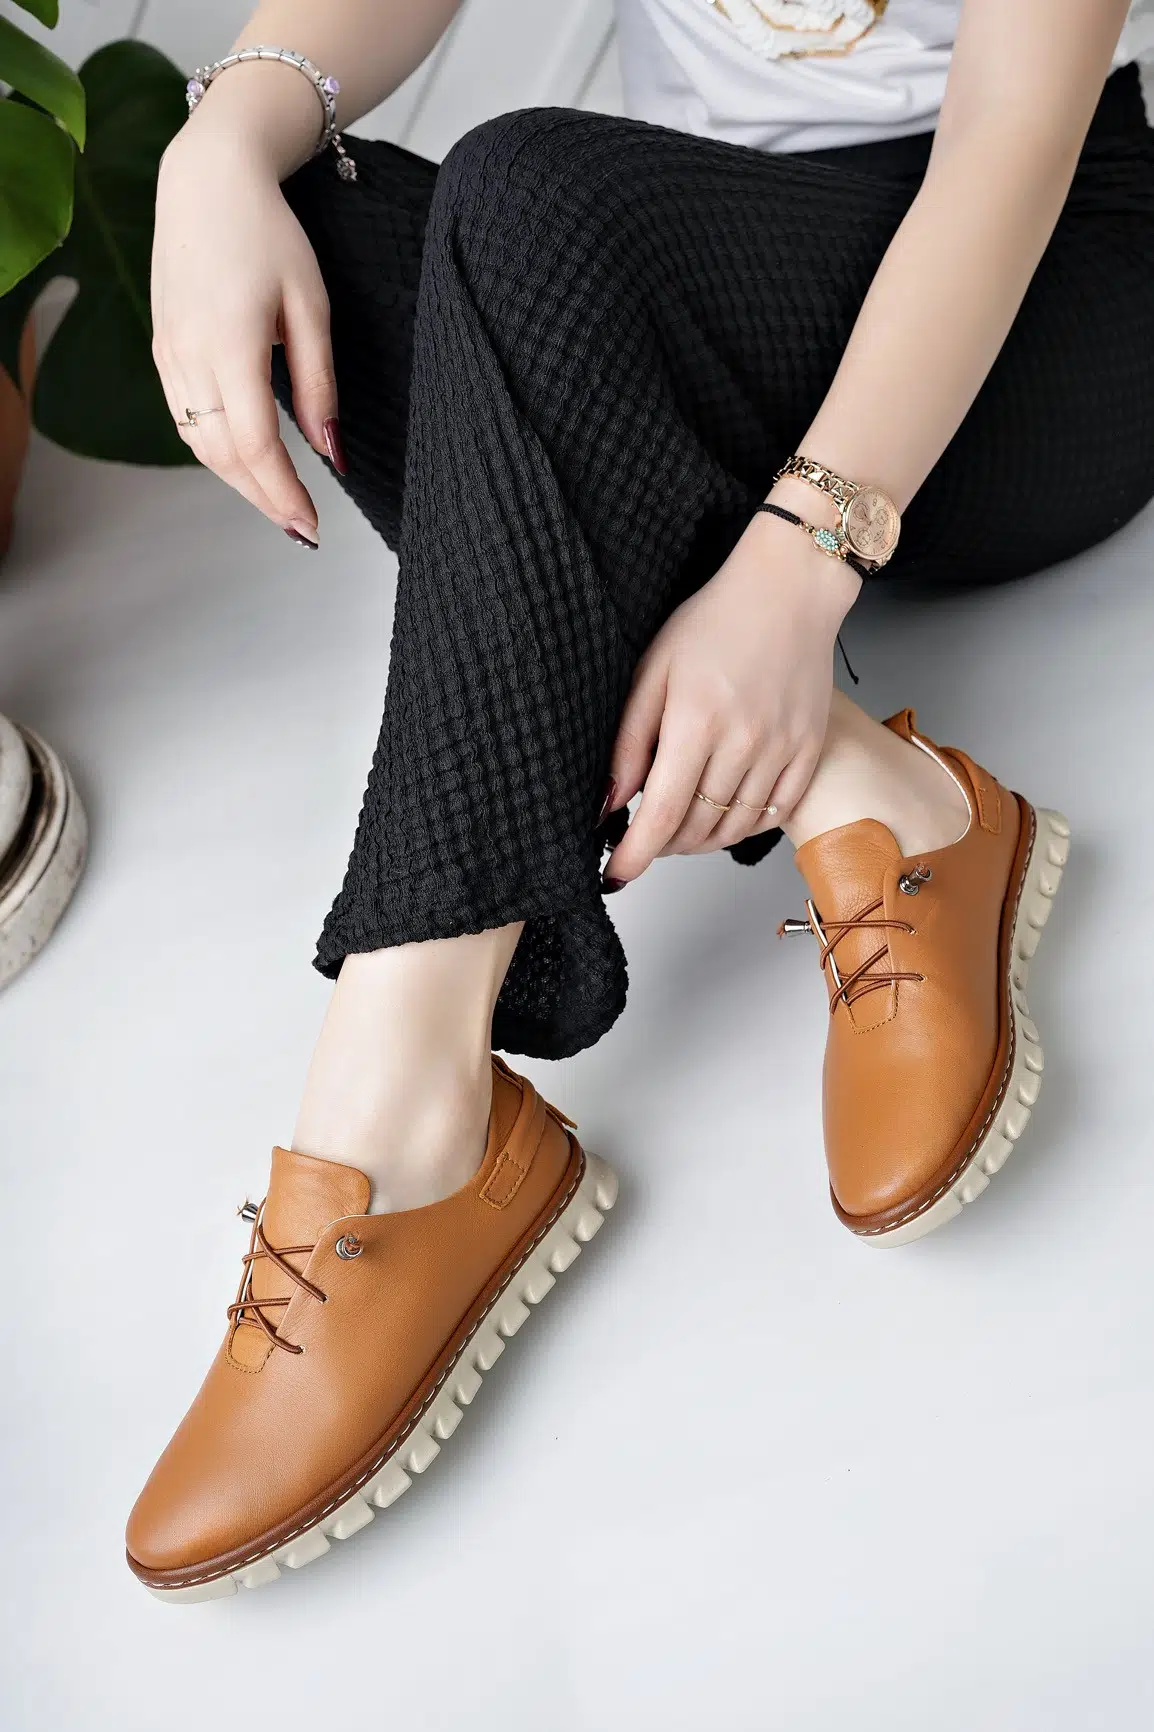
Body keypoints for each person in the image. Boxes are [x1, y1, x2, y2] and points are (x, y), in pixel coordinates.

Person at [125, 0, 1154, 1601]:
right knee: (304, 204)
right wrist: (216, 147)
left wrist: (793, 572)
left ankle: (395, 1098)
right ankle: (856, 778)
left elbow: (1008, 143)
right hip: (685, 289)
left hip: (1025, 318)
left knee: (526, 187)